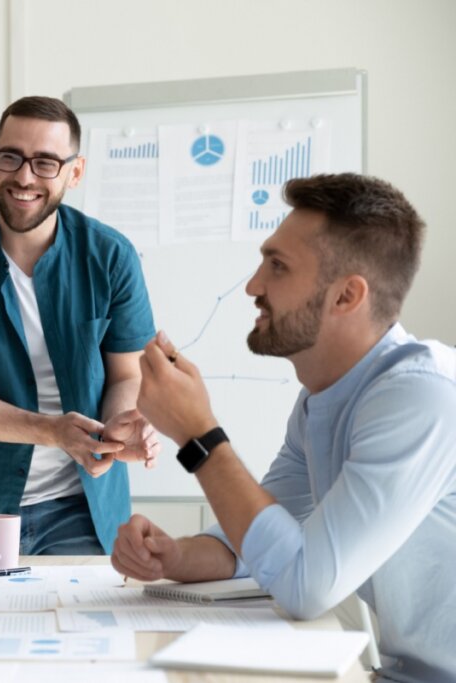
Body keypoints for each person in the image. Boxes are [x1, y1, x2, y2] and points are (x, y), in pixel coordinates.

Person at [114, 173, 456, 681]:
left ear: (346, 296)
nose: (253, 286)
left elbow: (303, 584)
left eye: (277, 266)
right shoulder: (322, 399)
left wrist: (198, 434)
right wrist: (177, 557)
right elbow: (261, 540)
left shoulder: (420, 397)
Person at [0, 96, 159, 556]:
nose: (24, 177)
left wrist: (116, 428)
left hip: (83, 506)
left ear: (74, 173)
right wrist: (53, 431)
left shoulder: (112, 256)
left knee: (81, 629)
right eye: (11, 157)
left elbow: (127, 374)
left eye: (45, 163)